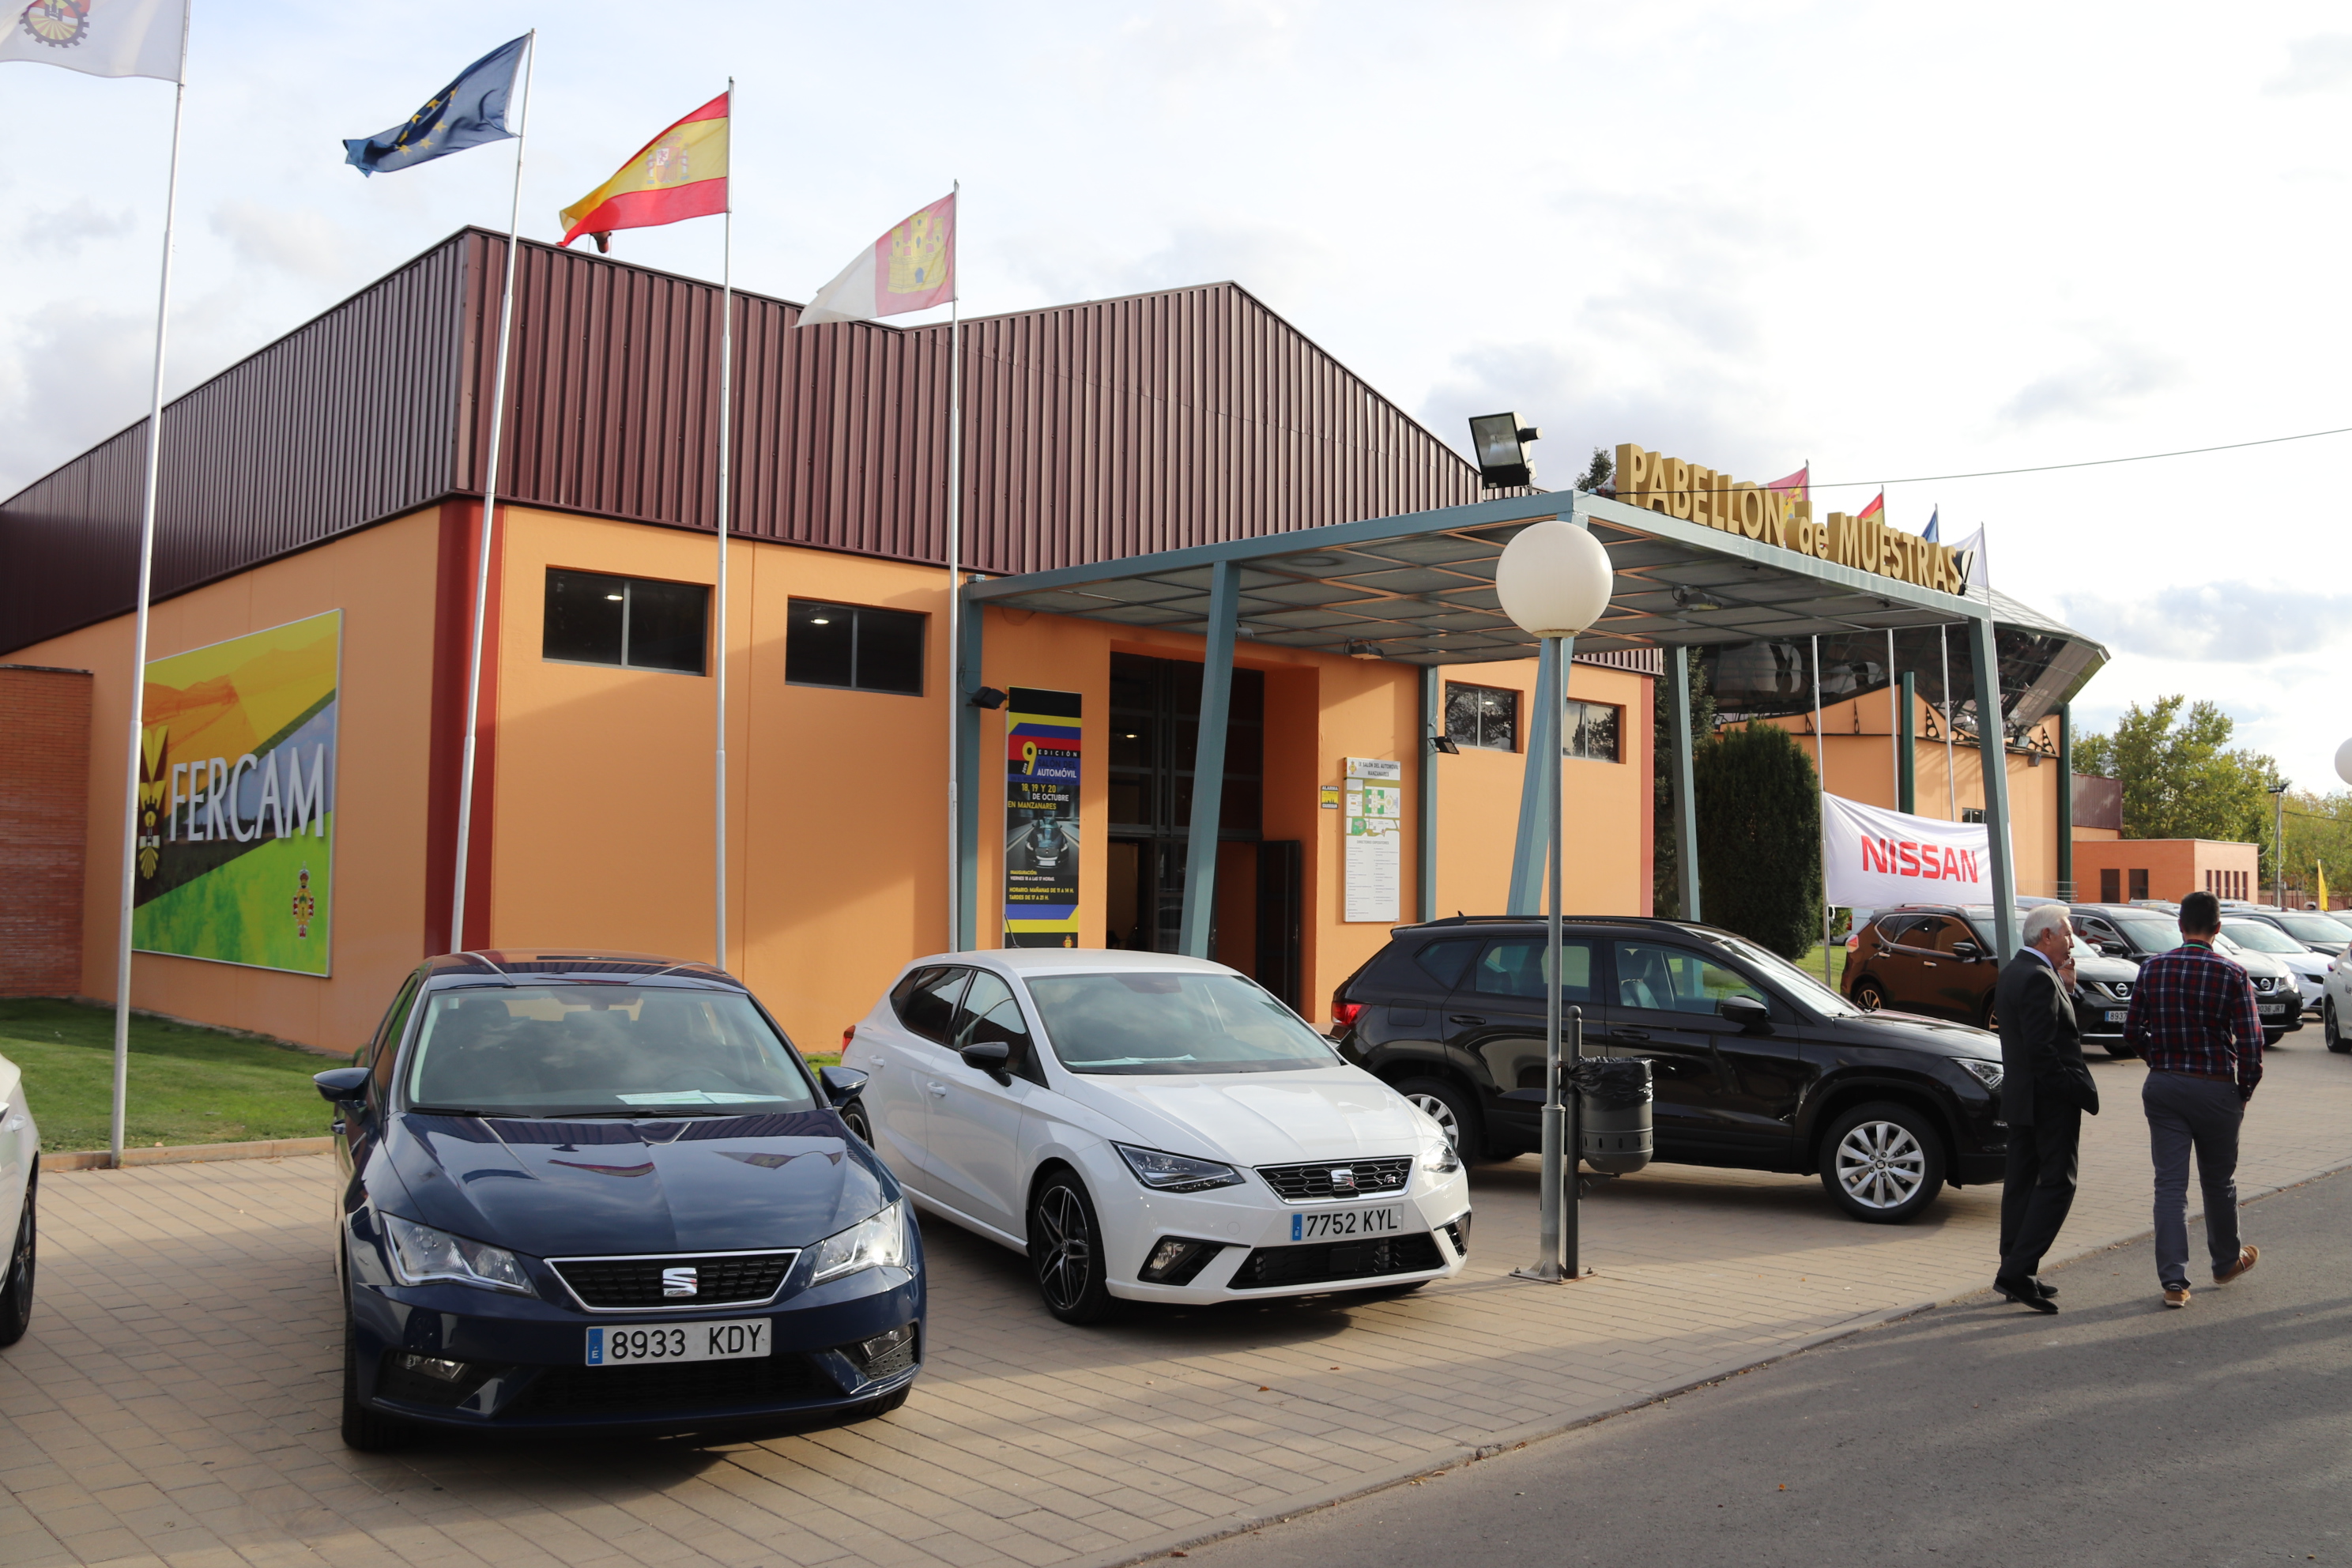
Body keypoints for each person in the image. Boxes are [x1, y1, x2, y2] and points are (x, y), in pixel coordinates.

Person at [2120, 889, 2263, 1309]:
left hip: (2164, 1086)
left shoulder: (2152, 968)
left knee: (2169, 1185)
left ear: (2180, 925)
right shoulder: (2233, 973)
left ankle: (2174, 1282)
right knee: (2219, 1181)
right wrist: (2243, 1091)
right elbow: (2251, 1044)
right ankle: (2225, 1262)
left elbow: (2131, 1031)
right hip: (2216, 1087)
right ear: (2218, 928)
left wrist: (2159, 1060)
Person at [1992, 903, 2100, 1314]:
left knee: (2021, 1184)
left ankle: (2016, 1268)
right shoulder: (2037, 977)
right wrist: (2070, 1090)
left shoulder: (2017, 971)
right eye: (2068, 933)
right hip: (2047, 1101)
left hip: (2024, 1099)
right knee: (2058, 1184)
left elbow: (2050, 1031)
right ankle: (2016, 1272)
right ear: (2047, 936)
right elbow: (2042, 1051)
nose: (2073, 941)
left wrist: (2066, 989)